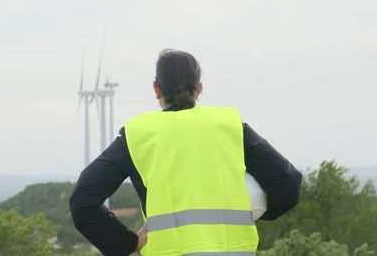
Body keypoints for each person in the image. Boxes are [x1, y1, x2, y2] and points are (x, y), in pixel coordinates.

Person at [69, 49, 302, 256]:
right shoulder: (231, 126)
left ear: (156, 88)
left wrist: (125, 243)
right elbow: (288, 184)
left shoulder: (137, 134)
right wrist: (255, 212)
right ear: (199, 89)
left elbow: (83, 200)